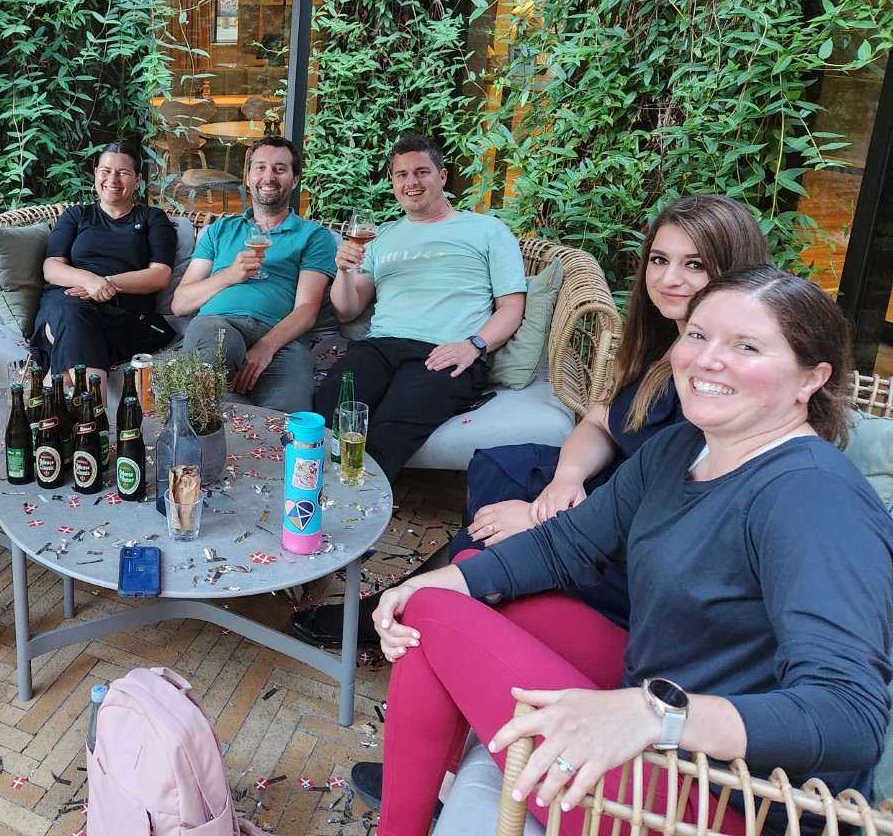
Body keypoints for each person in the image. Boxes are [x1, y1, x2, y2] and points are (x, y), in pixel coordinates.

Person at [369, 264, 893, 834]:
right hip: (662, 715)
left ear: (810, 379)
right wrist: (433, 580)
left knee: (437, 612)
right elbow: (568, 543)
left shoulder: (814, 498)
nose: (707, 359)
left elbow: (850, 716)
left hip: (735, 801)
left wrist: (657, 715)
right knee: (461, 583)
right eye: (697, 334)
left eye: (746, 346)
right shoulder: (683, 445)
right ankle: (429, 795)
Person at [292, 194, 772, 649]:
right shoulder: (666, 341)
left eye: (695, 264)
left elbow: (681, 503)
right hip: (608, 488)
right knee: (502, 477)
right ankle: (436, 599)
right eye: (660, 260)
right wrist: (567, 477)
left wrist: (548, 520)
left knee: (501, 513)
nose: (670, 279)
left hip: (643, 540)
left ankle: (412, 608)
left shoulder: (719, 376)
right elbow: (603, 419)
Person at [312, 134, 527, 481]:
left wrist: (473, 346)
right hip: (378, 347)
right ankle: (314, 498)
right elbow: (347, 311)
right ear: (393, 183)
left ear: (442, 176)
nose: (411, 182)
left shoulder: (486, 230)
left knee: (386, 434)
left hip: (444, 352)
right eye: (401, 174)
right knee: (330, 415)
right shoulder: (382, 236)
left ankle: (354, 511)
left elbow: (512, 306)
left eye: (421, 172)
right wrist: (343, 271)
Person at [169, 136, 336, 413]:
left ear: (294, 180)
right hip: (218, 323)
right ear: (248, 178)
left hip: (280, 337)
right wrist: (230, 275)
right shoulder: (219, 231)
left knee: (289, 417)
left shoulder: (314, 236)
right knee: (214, 362)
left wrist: (266, 346)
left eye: (280, 169)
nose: (268, 177)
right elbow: (180, 303)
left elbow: (307, 309)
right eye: (260, 168)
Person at [33, 143, 177, 384]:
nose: (113, 179)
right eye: (106, 171)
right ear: (96, 173)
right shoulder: (77, 216)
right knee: (73, 311)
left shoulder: (152, 218)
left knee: (71, 329)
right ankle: (96, 415)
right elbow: (51, 267)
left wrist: (108, 284)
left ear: (138, 179)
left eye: (123, 173)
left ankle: (46, 403)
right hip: (67, 298)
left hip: (123, 314)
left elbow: (160, 275)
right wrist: (90, 282)